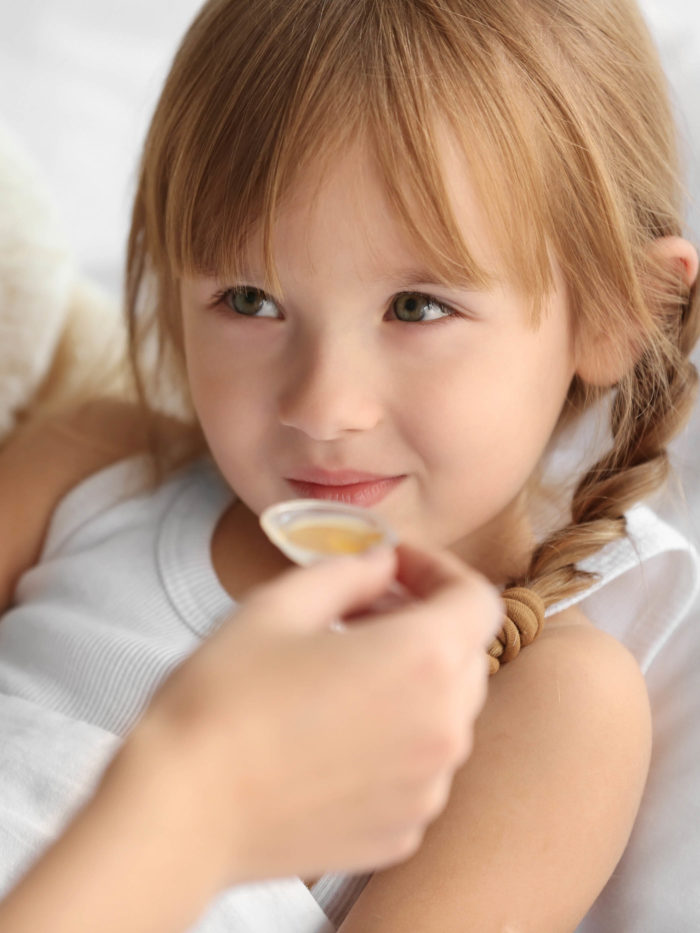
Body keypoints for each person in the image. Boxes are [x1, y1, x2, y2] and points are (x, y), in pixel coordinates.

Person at [0, 0, 698, 930]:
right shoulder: (93, 466)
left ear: (620, 313)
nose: (322, 407)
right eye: (248, 298)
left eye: (416, 308)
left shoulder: (550, 705)